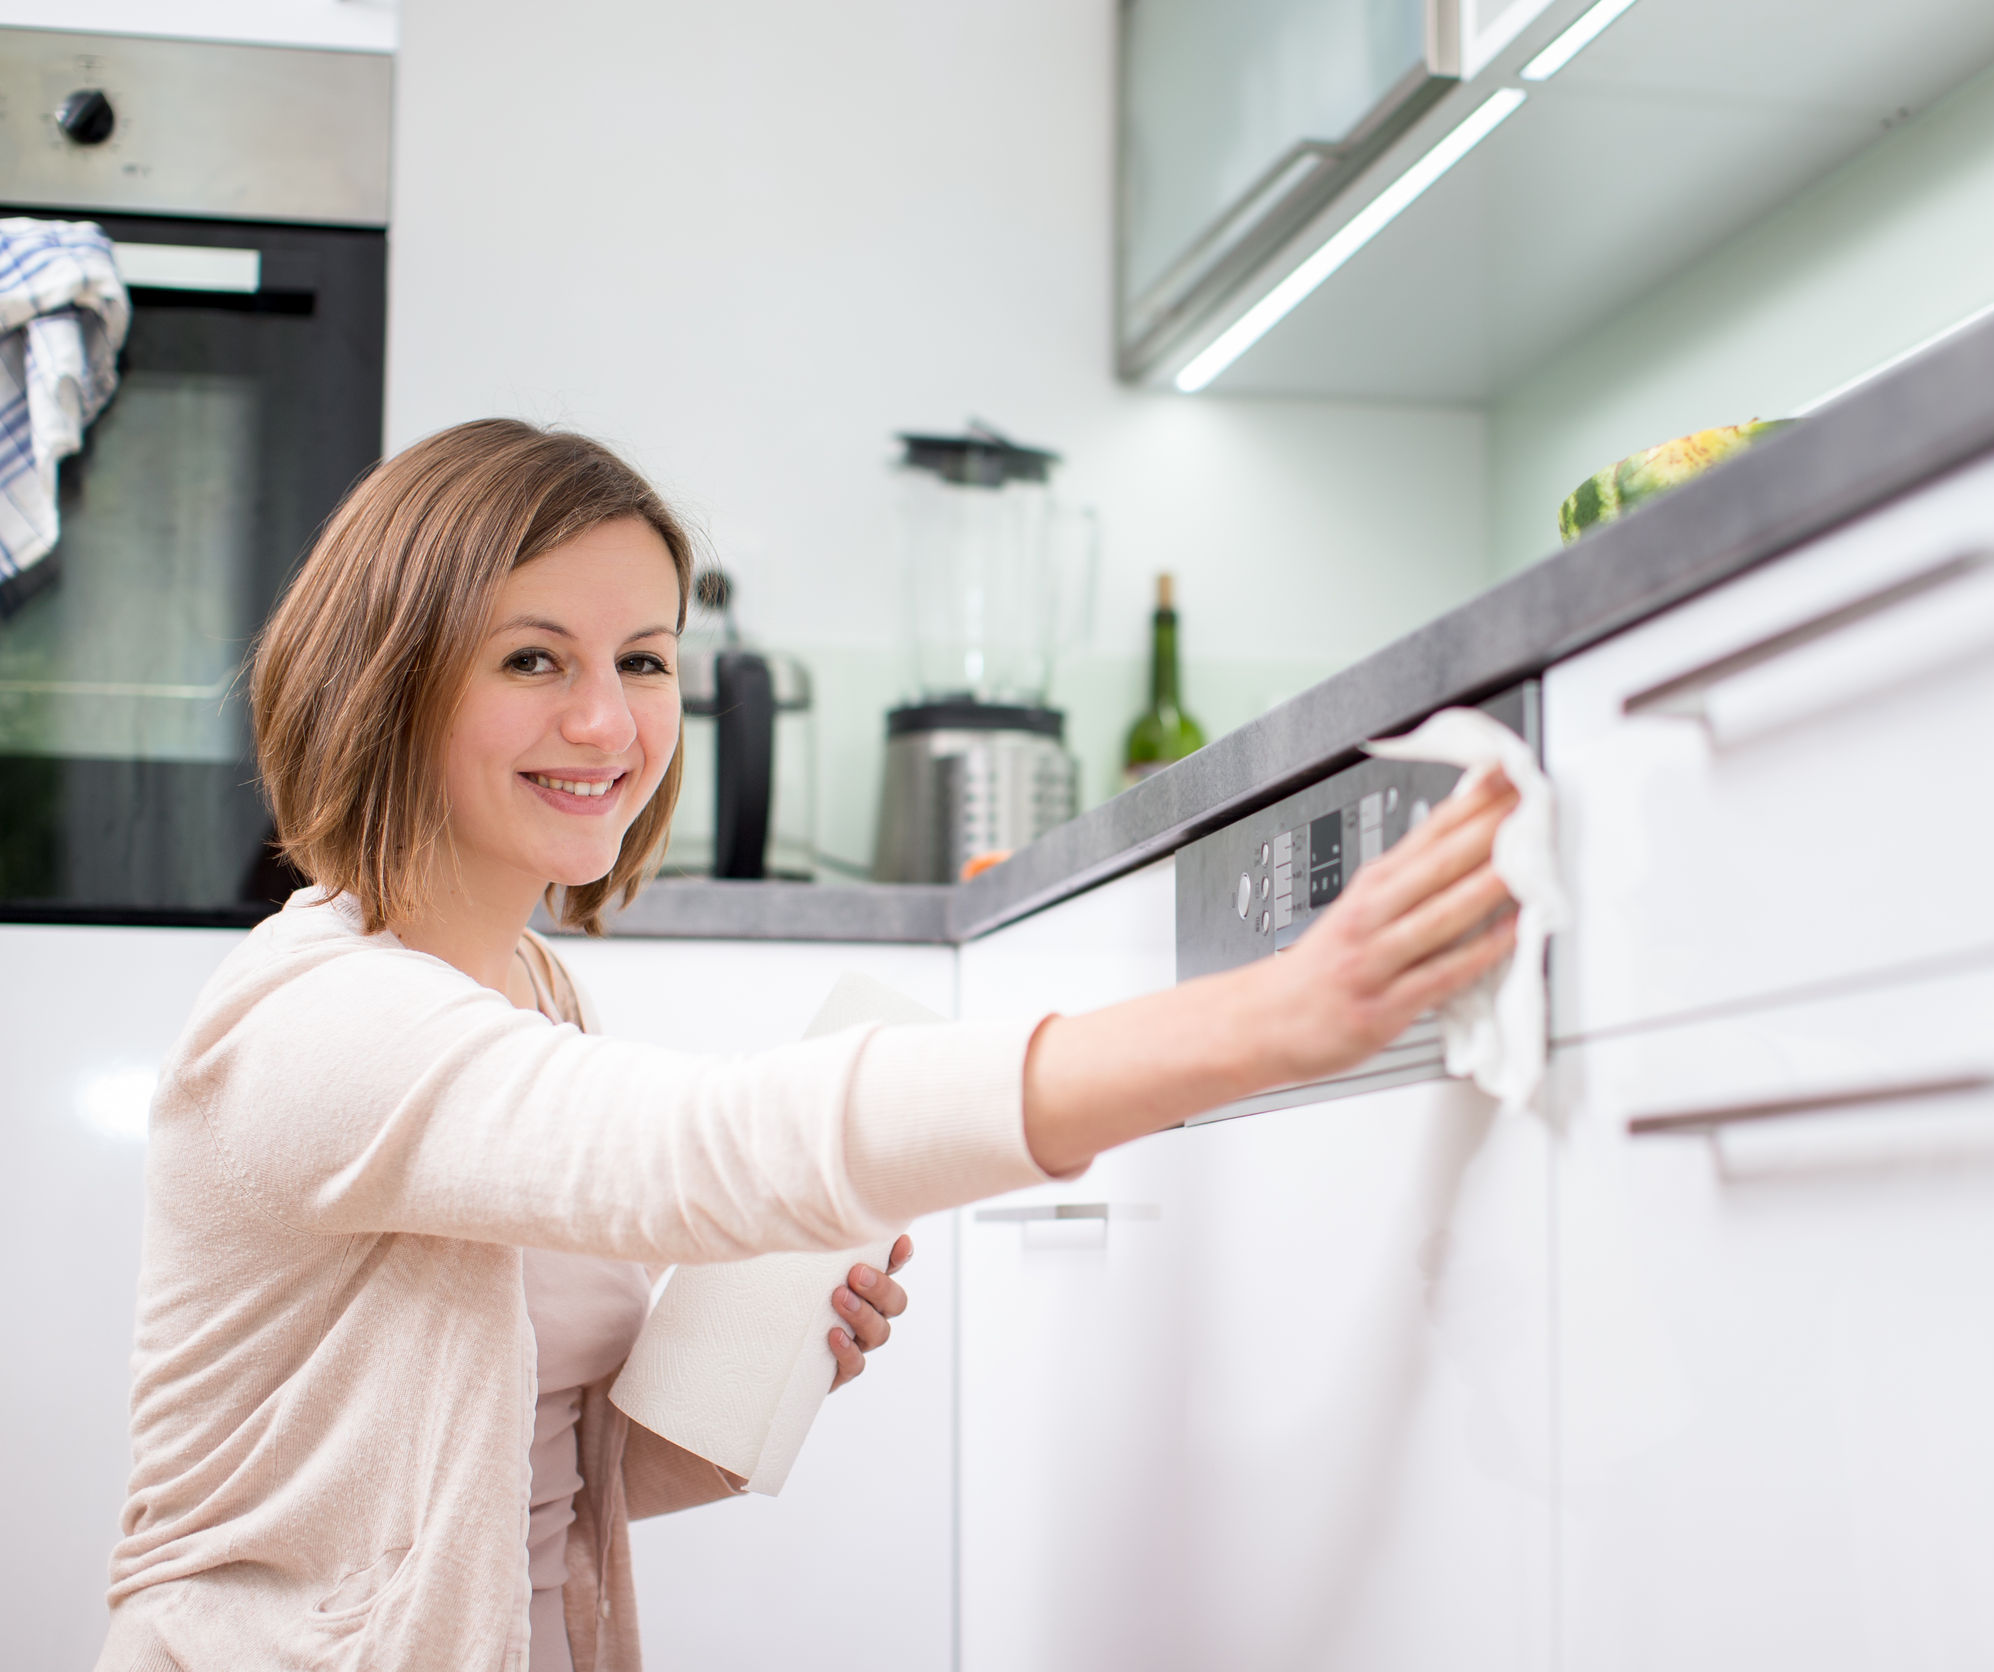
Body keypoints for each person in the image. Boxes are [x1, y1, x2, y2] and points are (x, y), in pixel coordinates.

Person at [97, 419, 1520, 1671]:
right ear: (389, 678)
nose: (607, 721)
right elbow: (705, 1152)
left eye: (643, 660)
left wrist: (751, 1368)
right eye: (534, 657)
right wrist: (1267, 1017)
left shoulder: (527, 985)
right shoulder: (319, 1022)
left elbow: (520, 1487)